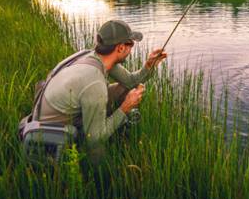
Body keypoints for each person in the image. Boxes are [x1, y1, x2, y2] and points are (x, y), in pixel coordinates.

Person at [37, 19, 167, 160]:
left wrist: (149, 65)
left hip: (66, 112)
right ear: (120, 48)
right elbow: (94, 139)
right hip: (54, 132)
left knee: (124, 87)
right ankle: (99, 175)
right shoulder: (94, 82)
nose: (132, 48)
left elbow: (130, 82)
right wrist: (125, 107)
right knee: (96, 144)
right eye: (131, 44)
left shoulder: (94, 56)